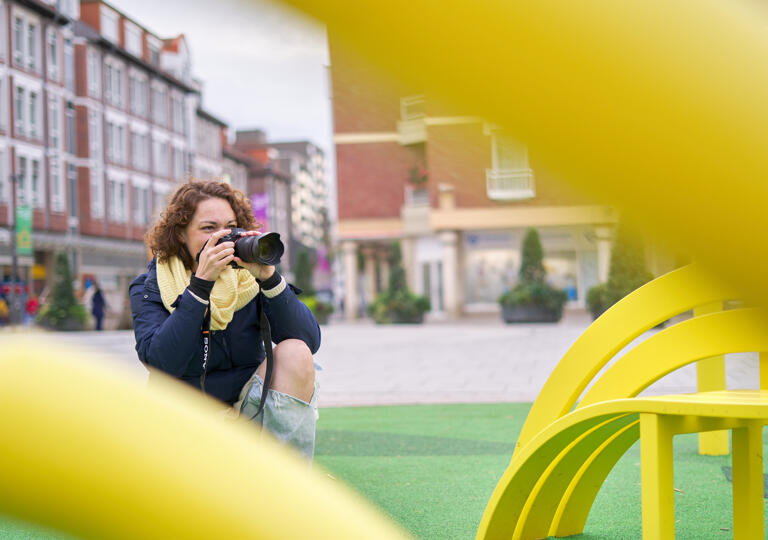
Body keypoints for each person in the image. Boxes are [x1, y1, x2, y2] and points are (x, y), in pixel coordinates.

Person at [129, 180, 320, 458]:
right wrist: (199, 287)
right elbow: (161, 363)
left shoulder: (248, 280)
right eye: (209, 228)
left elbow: (309, 340)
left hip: (248, 411)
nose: (223, 237)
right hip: (185, 417)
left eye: (230, 227)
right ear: (180, 234)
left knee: (296, 352)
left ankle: (286, 476)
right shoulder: (151, 285)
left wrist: (269, 279)